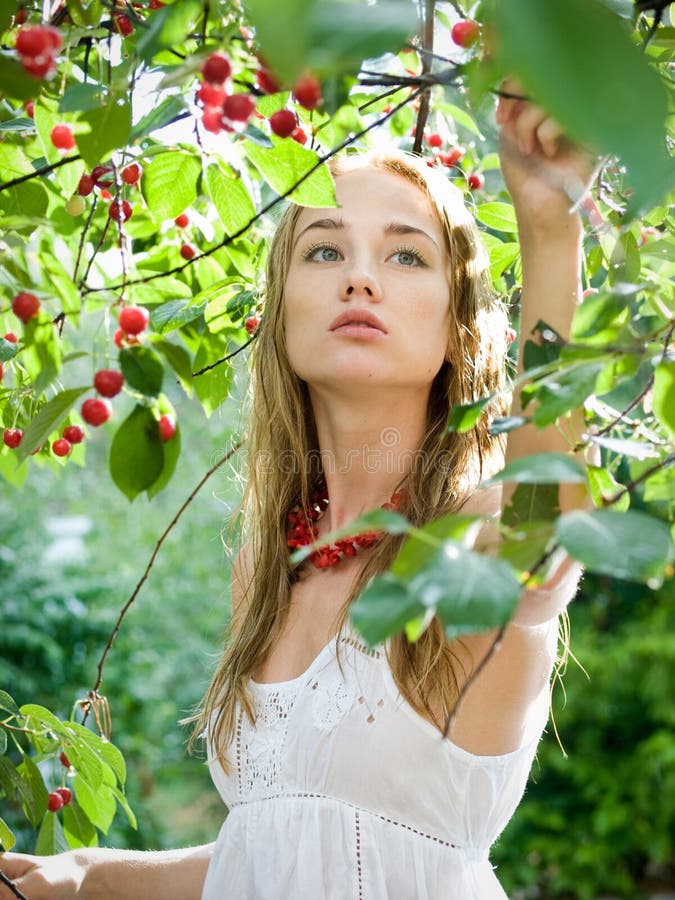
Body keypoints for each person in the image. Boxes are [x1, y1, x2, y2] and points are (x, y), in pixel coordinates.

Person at [0, 83, 596, 899]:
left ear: (458, 329)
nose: (358, 277)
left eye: (404, 254)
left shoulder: (470, 536)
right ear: (281, 314)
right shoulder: (269, 564)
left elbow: (549, 525)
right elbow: (285, 847)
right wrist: (87, 876)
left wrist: (549, 226)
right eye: (324, 250)